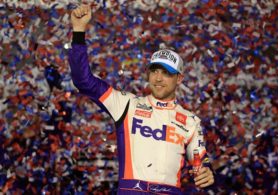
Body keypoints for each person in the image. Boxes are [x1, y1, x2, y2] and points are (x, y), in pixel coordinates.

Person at [68, 4, 214, 194]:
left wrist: (208, 174)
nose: (158, 78)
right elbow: (83, 81)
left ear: (179, 79)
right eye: (154, 71)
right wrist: (79, 32)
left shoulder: (191, 121)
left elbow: (200, 162)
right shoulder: (127, 104)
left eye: (167, 73)